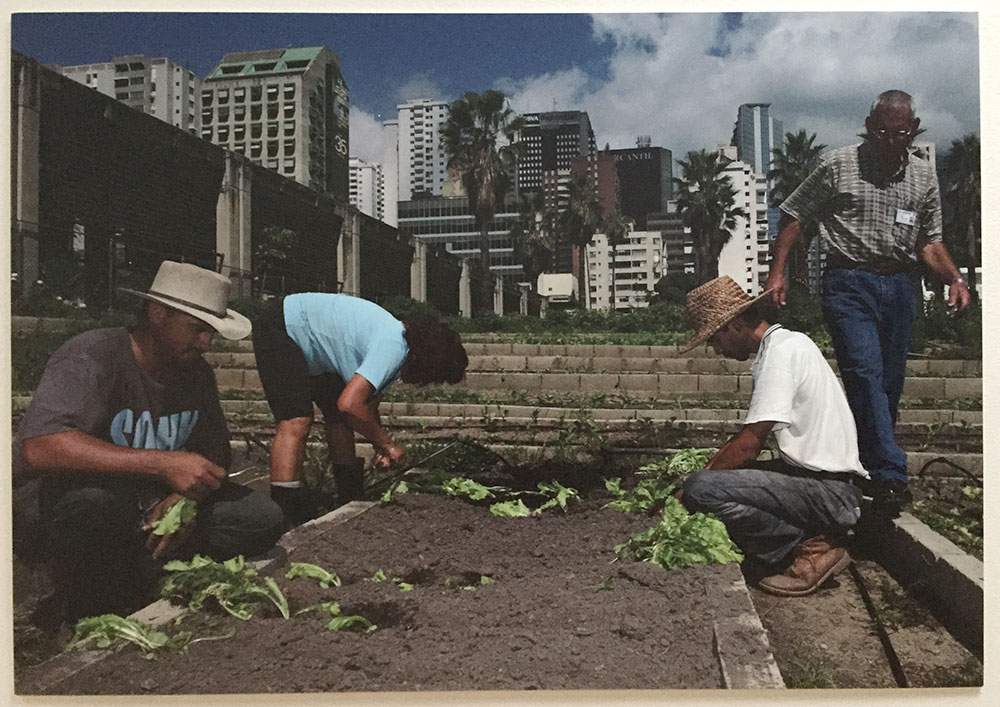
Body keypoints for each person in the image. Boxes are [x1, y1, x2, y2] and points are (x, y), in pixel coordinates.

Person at [12, 261, 285, 626]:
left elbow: (215, 448)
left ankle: (142, 574)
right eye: (197, 330)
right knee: (92, 507)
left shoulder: (195, 373)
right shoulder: (91, 356)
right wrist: (163, 464)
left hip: (149, 500)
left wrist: (187, 498)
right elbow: (41, 446)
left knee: (260, 519)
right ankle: (84, 614)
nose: (206, 343)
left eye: (211, 333)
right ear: (157, 315)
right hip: (68, 499)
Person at [764, 90, 971, 515]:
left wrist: (954, 277)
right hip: (848, 281)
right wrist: (777, 272)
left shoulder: (923, 176)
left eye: (897, 133)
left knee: (889, 382)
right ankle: (891, 474)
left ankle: (862, 465)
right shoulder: (838, 165)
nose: (888, 139)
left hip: (900, 285)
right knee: (863, 372)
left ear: (911, 131)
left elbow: (929, 241)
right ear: (868, 125)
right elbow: (795, 217)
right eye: (879, 130)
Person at [679, 277, 869, 597]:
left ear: (734, 324)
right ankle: (813, 536)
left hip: (831, 491)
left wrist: (691, 487)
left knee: (702, 489)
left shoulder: (781, 354)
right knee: (712, 481)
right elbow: (744, 443)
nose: (718, 350)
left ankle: (805, 549)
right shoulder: (784, 346)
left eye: (715, 339)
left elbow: (749, 444)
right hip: (824, 485)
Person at [252, 293, 468, 526]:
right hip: (285, 326)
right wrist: (388, 445)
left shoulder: (399, 350)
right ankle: (283, 514)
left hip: (316, 343)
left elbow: (366, 405)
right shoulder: (393, 347)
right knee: (296, 420)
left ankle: (348, 495)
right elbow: (350, 405)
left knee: (338, 420)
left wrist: (379, 446)